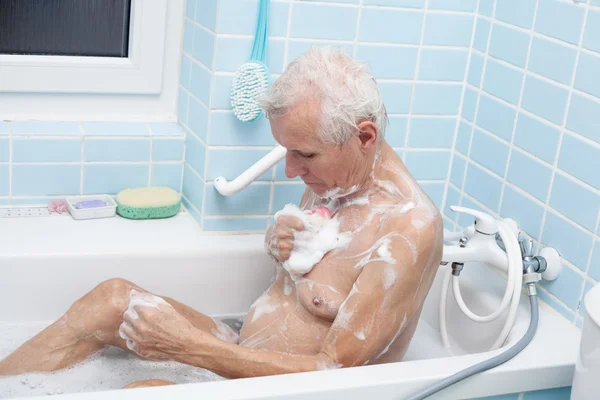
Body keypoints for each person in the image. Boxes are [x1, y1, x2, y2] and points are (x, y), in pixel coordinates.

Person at [0, 46, 443, 387]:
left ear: (363, 136)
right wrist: (281, 247)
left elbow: (333, 374)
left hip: (293, 392)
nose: (291, 170)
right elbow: (314, 288)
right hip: (244, 356)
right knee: (114, 298)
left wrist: (186, 347)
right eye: (286, 151)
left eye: (304, 154)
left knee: (144, 391)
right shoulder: (337, 180)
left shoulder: (409, 230)